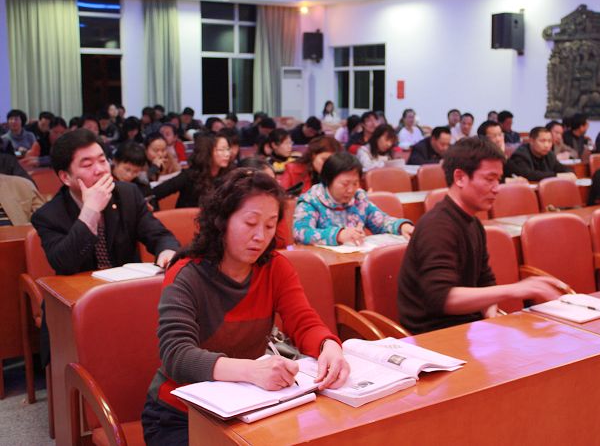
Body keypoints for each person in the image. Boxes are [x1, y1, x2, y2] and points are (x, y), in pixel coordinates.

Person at [141, 168, 350, 444]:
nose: (260, 236)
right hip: (181, 414)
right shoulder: (186, 274)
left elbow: (303, 321)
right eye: (250, 223)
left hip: (248, 406)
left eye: (270, 225)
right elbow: (177, 356)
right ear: (222, 221)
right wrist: (252, 371)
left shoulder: (275, 268)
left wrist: (329, 346)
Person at [397, 137, 566, 334]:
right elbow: (442, 298)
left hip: (469, 328)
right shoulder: (437, 226)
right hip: (434, 336)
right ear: (460, 177)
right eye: (489, 179)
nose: (496, 188)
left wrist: (492, 318)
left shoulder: (473, 223)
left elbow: (485, 282)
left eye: (498, 180)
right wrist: (515, 289)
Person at [31, 129, 179, 274]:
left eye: (102, 161)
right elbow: (64, 264)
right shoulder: (49, 215)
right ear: (65, 177)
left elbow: (160, 235)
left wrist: (167, 251)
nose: (100, 170)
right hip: (80, 288)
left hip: (125, 285)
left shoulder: (128, 194)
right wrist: (90, 212)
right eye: (88, 165)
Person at [293, 152, 414, 245]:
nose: (351, 190)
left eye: (355, 183)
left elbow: (380, 221)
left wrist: (401, 226)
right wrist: (338, 235)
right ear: (328, 180)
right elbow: (301, 232)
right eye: (345, 184)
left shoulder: (358, 198)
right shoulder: (311, 201)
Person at [153, 132, 233, 208]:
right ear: (207, 152)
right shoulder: (190, 176)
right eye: (221, 150)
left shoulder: (229, 176)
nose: (227, 154)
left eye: (228, 149)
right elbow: (154, 194)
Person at [504, 127, 575, 181]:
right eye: (542, 141)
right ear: (531, 141)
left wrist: (569, 173)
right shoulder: (520, 155)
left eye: (549, 141)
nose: (547, 145)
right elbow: (528, 175)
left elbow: (561, 168)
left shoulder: (549, 154)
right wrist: (556, 176)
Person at [112, 141, 155, 209]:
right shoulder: (104, 185)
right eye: (127, 169)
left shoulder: (142, 185)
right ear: (115, 162)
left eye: (136, 171)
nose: (129, 175)